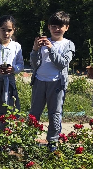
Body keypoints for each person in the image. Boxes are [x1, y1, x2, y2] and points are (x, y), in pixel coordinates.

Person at [29, 11, 75, 150]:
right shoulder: (43, 42)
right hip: (39, 80)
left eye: (60, 26)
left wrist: (51, 48)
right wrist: (35, 49)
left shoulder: (68, 44)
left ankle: (53, 142)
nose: (57, 29)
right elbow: (34, 64)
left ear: (66, 27)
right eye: (54, 26)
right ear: (49, 27)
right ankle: (29, 138)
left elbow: (62, 63)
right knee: (34, 113)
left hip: (56, 83)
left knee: (55, 113)